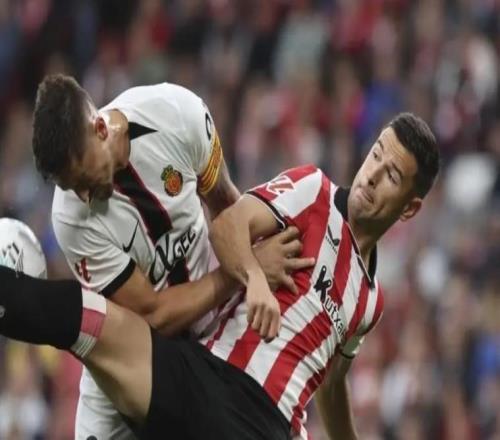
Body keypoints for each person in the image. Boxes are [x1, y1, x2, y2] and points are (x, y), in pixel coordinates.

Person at [1, 112, 439, 439]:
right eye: (375, 155)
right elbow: (228, 225)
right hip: (202, 376)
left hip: (264, 423)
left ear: (411, 207)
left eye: (391, 175)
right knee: (95, 318)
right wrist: (255, 278)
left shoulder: (370, 301)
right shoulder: (314, 193)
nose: (371, 176)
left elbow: (333, 383)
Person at [31, 74, 313, 439]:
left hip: (213, 322)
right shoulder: (70, 219)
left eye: (84, 180)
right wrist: (247, 269)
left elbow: (229, 211)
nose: (83, 196)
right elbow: (152, 316)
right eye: (72, 189)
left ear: (100, 128)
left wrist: (252, 272)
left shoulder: (176, 114)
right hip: (131, 357)